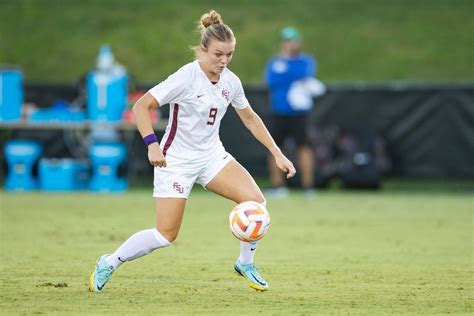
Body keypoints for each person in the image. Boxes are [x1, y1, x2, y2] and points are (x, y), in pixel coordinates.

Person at [89, 10, 296, 293]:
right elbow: (141, 107)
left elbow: (249, 118)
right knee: (165, 235)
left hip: (211, 156)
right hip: (175, 161)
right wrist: (152, 144)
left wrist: (277, 152)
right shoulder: (186, 77)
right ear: (203, 50)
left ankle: (245, 263)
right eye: (218, 55)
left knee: (256, 203)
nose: (223, 61)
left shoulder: (230, 82)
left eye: (229, 55)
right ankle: (109, 262)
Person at [264, 26, 325, 198]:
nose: (290, 44)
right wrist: (289, 73)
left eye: (293, 40)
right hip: (279, 111)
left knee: (304, 147)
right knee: (275, 148)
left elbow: (304, 74)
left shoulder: (305, 60)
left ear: (298, 42)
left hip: (299, 113)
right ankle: (277, 186)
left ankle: (307, 187)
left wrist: (286, 71)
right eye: (287, 40)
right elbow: (272, 80)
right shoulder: (274, 62)